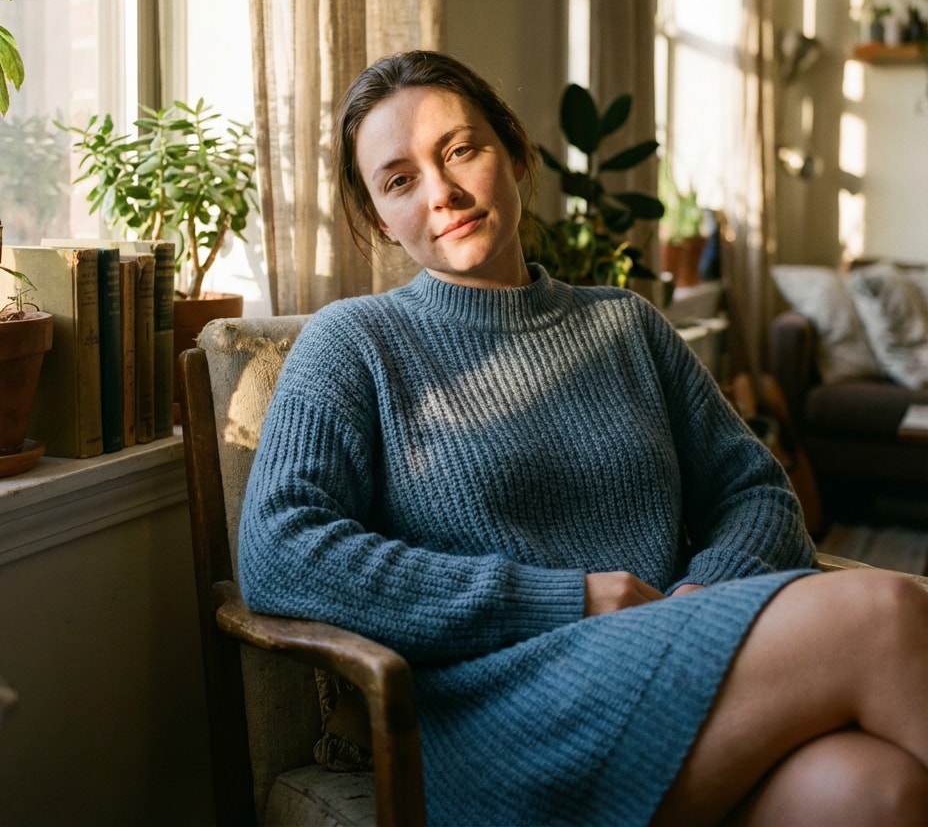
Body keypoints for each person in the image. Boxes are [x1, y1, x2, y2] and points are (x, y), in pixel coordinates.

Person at [239, 50, 928, 826]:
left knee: (876, 790)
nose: (443, 194)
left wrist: (704, 598)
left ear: (515, 152)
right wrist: (564, 599)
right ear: (379, 219)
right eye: (400, 180)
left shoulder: (623, 322)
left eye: (461, 149)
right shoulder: (354, 342)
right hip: (504, 715)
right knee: (885, 609)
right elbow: (280, 549)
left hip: (670, 661)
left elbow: (754, 488)